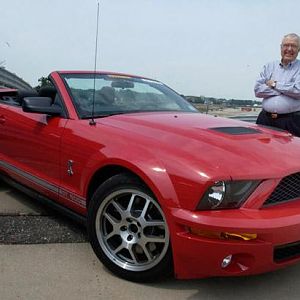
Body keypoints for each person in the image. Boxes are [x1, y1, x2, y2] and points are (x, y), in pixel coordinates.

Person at [255, 33, 300, 136]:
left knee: (291, 152)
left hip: (291, 122)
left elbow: (298, 91)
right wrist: (286, 90)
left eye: (293, 46)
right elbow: (257, 90)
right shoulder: (269, 66)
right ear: (281, 47)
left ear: (299, 49)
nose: (289, 49)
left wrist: (275, 84)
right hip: (265, 120)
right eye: (286, 45)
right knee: (262, 151)